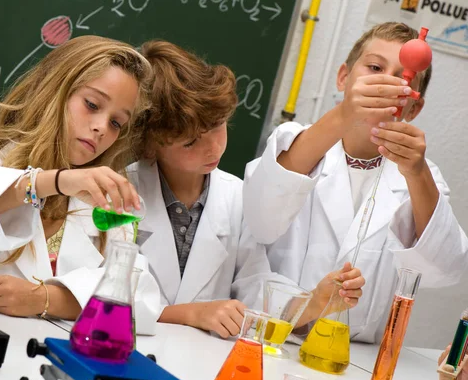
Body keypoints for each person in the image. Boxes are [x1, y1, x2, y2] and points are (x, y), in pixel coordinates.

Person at [0, 35, 161, 334]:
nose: (100, 128)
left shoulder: (100, 204)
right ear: (55, 92)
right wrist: (54, 182)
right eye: (92, 104)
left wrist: (46, 298)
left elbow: (140, 295)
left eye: (116, 123)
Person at [243, 22, 468, 343]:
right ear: (343, 77)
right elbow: (260, 221)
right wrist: (345, 113)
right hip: (270, 340)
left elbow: (443, 271)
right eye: (375, 68)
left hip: (353, 359)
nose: (387, 83)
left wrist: (417, 172)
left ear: (414, 107)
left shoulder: (421, 177)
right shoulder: (294, 143)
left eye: (402, 77)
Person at [128, 40, 365, 339]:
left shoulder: (236, 197)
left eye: (218, 126)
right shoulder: (121, 191)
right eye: (190, 142)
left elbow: (255, 287)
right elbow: (106, 292)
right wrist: (192, 313)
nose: (213, 148)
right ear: (150, 143)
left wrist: (315, 302)